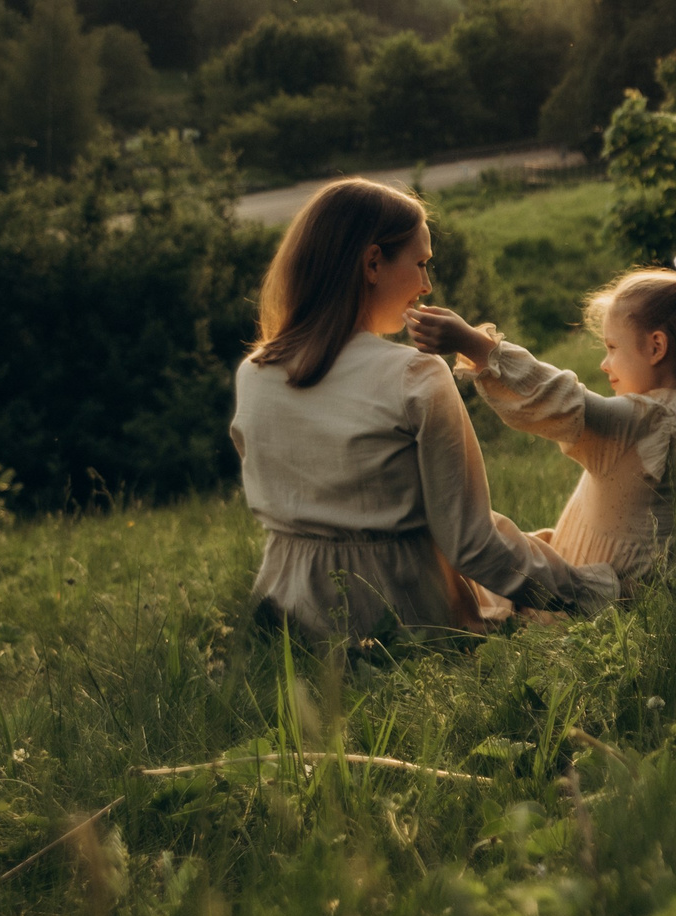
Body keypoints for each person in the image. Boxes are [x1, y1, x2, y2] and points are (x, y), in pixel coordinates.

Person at [229, 177, 617, 640]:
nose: (427, 285)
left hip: (291, 619)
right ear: (373, 262)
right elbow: (473, 545)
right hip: (401, 618)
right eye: (420, 264)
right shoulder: (414, 375)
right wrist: (594, 591)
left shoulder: (253, 373)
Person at [405, 225, 676, 593]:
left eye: (612, 348)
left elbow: (552, 394)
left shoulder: (635, 424)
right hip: (668, 592)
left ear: (656, 347)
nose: (605, 363)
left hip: (601, 598)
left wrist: (474, 344)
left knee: (481, 568)